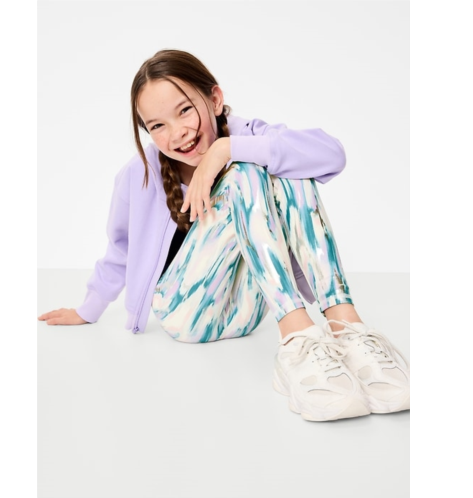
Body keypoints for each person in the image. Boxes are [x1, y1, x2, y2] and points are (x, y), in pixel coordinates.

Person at [38, 49, 410, 422]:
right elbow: (121, 247)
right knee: (247, 172)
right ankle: (297, 338)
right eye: (157, 125)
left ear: (215, 99)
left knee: (287, 163)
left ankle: (347, 328)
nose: (177, 132)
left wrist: (226, 149)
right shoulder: (140, 174)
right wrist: (89, 308)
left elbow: (330, 155)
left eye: (185, 110)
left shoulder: (247, 135)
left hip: (247, 313)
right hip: (185, 313)